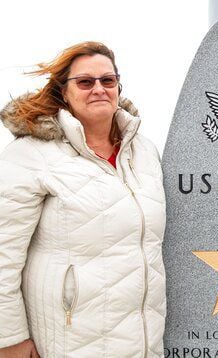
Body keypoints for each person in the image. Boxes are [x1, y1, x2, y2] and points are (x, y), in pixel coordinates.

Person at [0, 42, 166, 357]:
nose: (99, 89)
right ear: (64, 92)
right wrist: (8, 339)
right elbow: (2, 254)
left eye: (108, 80)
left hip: (144, 343)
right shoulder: (30, 154)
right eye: (85, 82)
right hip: (70, 342)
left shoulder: (145, 153)